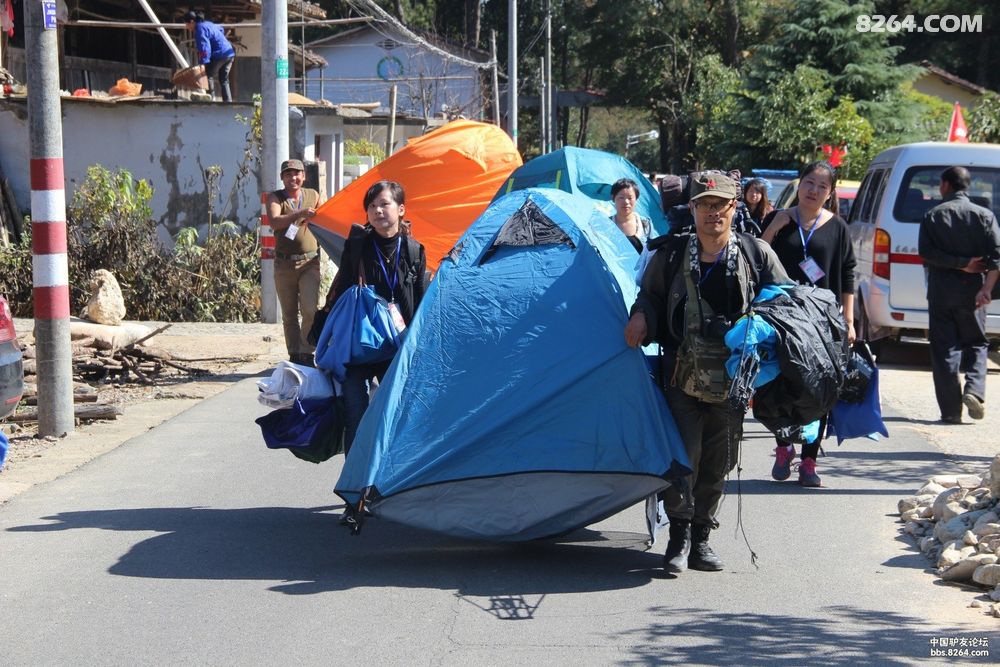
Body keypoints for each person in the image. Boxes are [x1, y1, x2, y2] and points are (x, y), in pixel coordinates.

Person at [625, 172, 791, 573]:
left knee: (719, 459)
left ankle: (702, 537)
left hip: (735, 379)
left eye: (720, 205)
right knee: (685, 456)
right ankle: (678, 537)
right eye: (704, 204)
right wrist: (640, 316)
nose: (712, 212)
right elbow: (649, 294)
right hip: (682, 373)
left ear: (734, 208)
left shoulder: (757, 255)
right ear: (693, 208)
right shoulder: (671, 253)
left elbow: (786, 302)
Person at [760, 160, 857, 487]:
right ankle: (784, 446)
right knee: (780, 383)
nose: (813, 191)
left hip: (823, 321)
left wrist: (849, 318)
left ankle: (810, 461)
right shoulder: (780, 219)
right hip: (783, 316)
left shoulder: (838, 227)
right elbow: (757, 254)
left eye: (822, 186)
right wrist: (775, 226)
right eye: (809, 183)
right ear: (799, 184)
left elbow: (847, 273)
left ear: (829, 193)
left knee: (822, 386)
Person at [322, 180, 427, 455]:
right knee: (355, 415)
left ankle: (384, 484)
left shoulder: (414, 250)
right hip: (359, 343)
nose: (377, 210)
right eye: (371, 205)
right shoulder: (358, 245)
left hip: (396, 346)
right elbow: (341, 288)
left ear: (401, 209)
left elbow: (420, 302)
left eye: (384, 204)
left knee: (397, 416)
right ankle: (354, 489)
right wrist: (325, 331)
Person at [918, 166, 1000, 424]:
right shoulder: (984, 215)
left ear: (944, 185)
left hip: (941, 292)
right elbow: (997, 258)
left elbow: (926, 253)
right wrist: (986, 288)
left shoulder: (932, 215)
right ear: (966, 186)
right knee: (976, 343)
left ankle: (951, 411)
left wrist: (958, 262)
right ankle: (974, 390)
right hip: (973, 292)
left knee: (944, 350)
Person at [267, 159, 322, 367]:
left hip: (310, 263)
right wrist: (299, 214)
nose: (293, 178)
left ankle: (307, 352)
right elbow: (274, 222)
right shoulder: (276, 197)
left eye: (297, 173)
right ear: (282, 178)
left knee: (310, 309)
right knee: (289, 314)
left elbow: (324, 217)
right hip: (284, 265)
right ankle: (294, 354)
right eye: (288, 174)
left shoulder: (313, 195)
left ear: (304, 176)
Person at [183, 10, 236, 102]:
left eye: (186, 24)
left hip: (220, 55)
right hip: (229, 53)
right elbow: (221, 29)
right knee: (224, 80)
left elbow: (204, 48)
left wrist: (203, 63)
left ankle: (211, 100)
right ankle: (228, 102)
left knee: (207, 75)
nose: (186, 27)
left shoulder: (199, 30)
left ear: (192, 22)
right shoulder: (208, 23)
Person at [610, 178, 652, 253]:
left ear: (636, 199)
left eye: (630, 198)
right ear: (613, 198)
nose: (626, 202)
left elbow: (651, 252)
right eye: (621, 197)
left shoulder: (645, 224)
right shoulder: (606, 224)